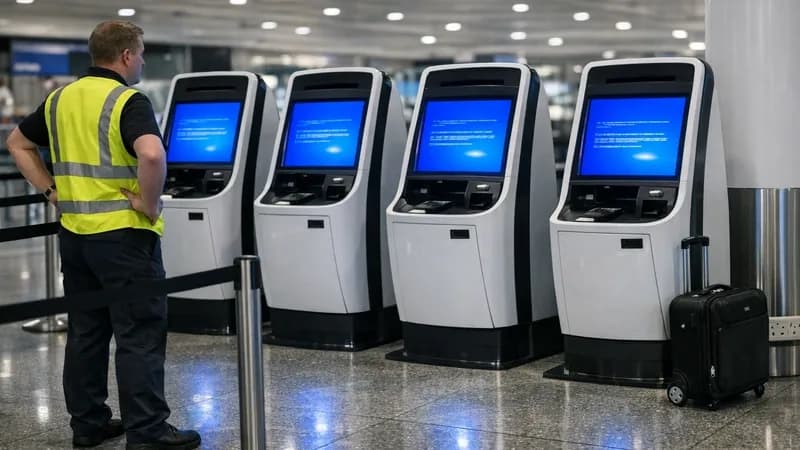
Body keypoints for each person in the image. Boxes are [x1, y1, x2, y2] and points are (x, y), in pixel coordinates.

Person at [6, 21, 200, 450]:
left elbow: (17, 142)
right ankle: (148, 431)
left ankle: (88, 424)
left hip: (75, 236)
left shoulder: (59, 99)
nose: (144, 60)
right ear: (127, 56)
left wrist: (51, 191)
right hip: (124, 238)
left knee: (86, 332)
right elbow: (151, 154)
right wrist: (149, 205)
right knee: (139, 334)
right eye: (142, 52)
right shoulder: (128, 100)